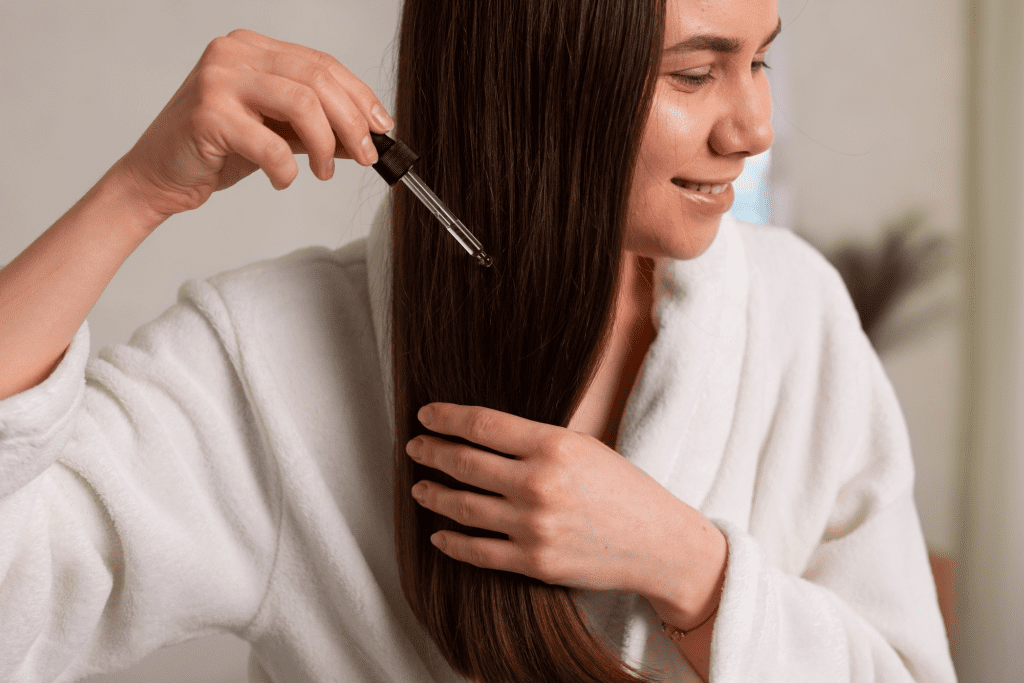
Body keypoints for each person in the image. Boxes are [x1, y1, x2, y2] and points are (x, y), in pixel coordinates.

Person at [0, 0, 956, 681]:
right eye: (697, 73)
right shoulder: (271, 361)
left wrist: (689, 566)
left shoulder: (798, 314)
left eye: (761, 61)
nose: (756, 127)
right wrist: (141, 191)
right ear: (539, 82)